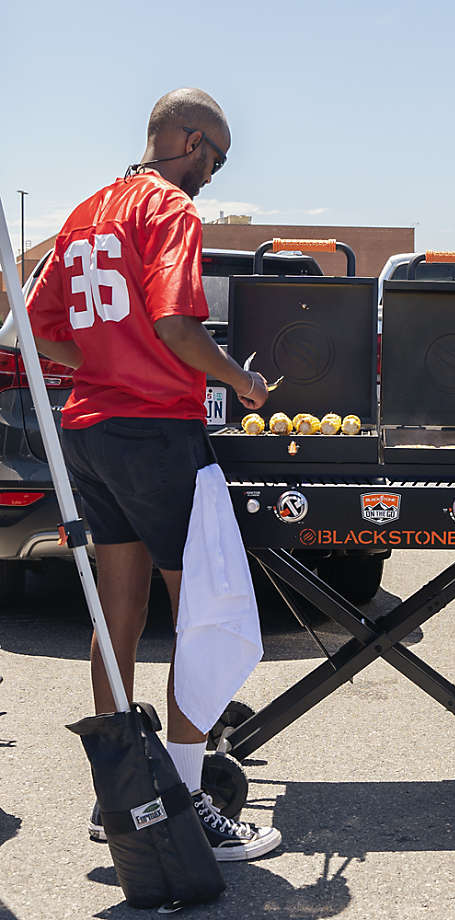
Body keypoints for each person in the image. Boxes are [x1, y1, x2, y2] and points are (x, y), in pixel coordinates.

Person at [26, 88, 281, 860]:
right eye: (214, 154)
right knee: (201, 609)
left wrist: (107, 359)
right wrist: (239, 379)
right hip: (157, 432)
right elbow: (176, 324)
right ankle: (185, 801)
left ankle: (120, 801)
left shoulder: (83, 213)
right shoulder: (168, 210)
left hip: (91, 431)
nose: (212, 171)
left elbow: (37, 332)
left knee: (118, 613)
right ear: (185, 137)